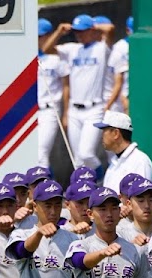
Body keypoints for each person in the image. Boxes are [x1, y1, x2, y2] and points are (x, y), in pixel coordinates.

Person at [41, 15, 116, 170]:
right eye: (76, 32)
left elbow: (110, 29)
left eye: (82, 31)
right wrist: (59, 32)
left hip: (94, 109)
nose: (79, 35)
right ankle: (87, 191)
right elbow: (46, 49)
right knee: (78, 161)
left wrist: (92, 25)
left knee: (86, 153)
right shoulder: (72, 49)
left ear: (92, 30)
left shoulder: (101, 48)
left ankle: (101, 179)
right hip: (74, 110)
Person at [36, 18, 70, 168]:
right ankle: (49, 185)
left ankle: (44, 190)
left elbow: (66, 86)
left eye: (40, 36)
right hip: (31, 113)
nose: (37, 40)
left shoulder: (56, 59)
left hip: (49, 110)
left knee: (41, 153)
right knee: (35, 155)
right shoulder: (27, 58)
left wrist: (65, 114)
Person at [98, 112, 152, 191]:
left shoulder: (140, 161)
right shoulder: (113, 164)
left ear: (116, 133)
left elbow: (143, 198)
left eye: (104, 131)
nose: (101, 136)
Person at [95, 16, 129, 114]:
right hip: (99, 102)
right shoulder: (92, 50)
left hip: (113, 102)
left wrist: (108, 106)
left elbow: (119, 83)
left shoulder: (112, 50)